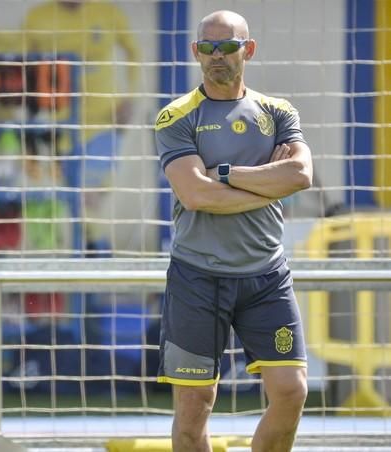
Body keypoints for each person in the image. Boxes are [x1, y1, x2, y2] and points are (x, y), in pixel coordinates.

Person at [154, 10, 311, 451]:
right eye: (208, 47)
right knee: (194, 406)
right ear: (195, 52)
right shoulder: (176, 117)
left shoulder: (278, 111)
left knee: (291, 390)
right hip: (197, 277)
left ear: (249, 49)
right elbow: (196, 196)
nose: (217, 56)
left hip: (266, 277)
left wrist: (222, 173)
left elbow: (300, 174)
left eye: (228, 46)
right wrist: (267, 185)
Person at [22, 0, 141, 251]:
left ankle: (96, 259)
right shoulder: (37, 18)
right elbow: (22, 67)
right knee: (72, 203)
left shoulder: (108, 12)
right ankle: (88, 260)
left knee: (90, 198)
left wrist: (131, 97)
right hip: (57, 127)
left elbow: (134, 52)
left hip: (103, 123)